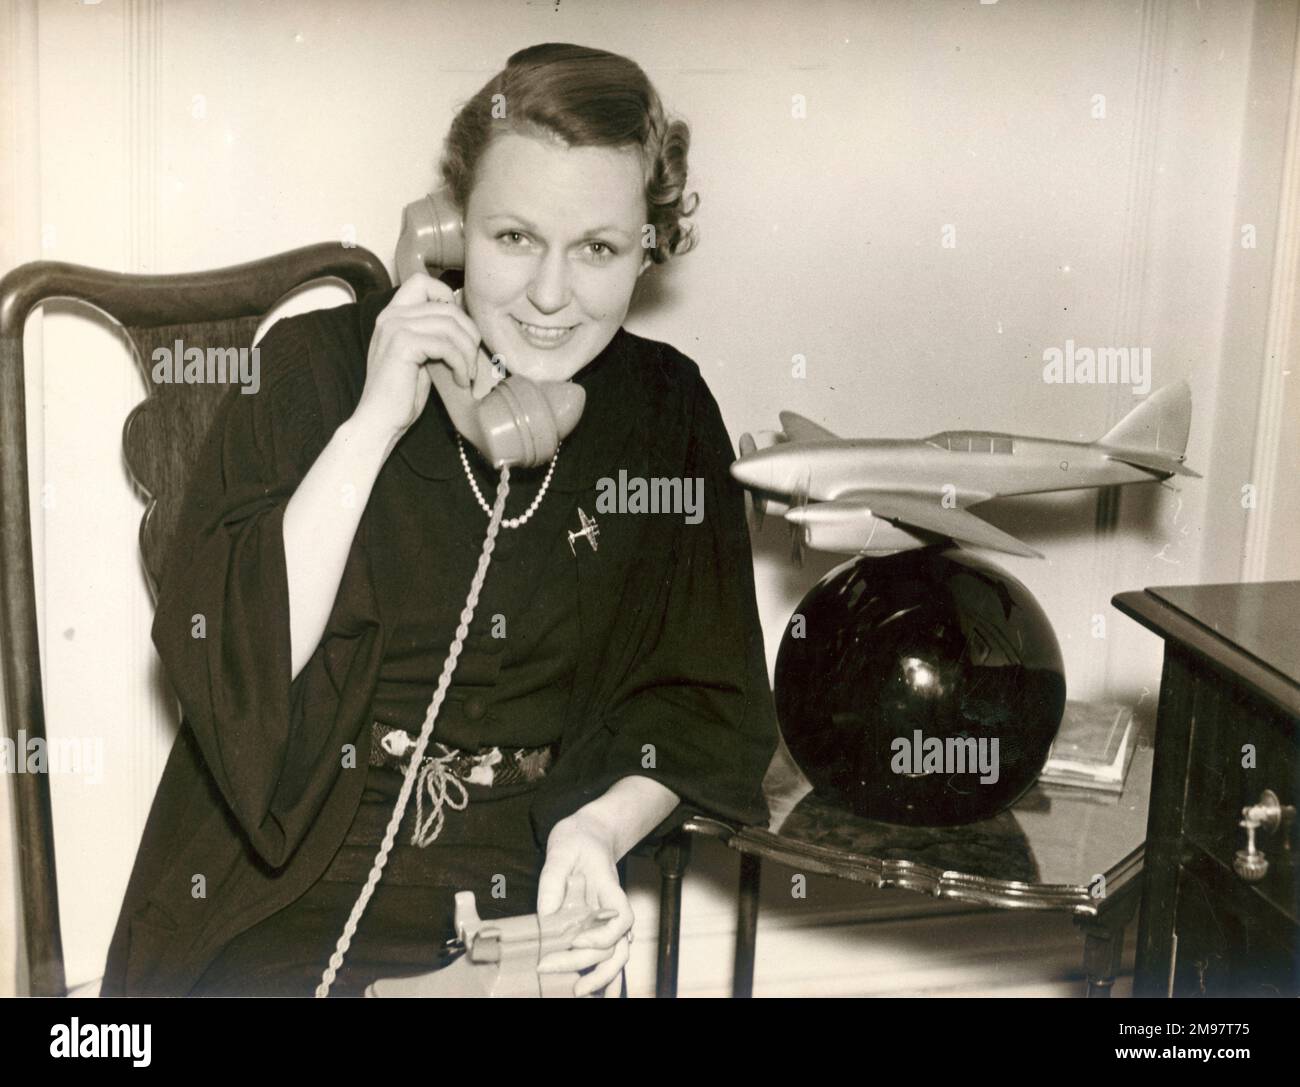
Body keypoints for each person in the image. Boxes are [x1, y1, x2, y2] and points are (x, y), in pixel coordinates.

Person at [101, 41, 778, 998]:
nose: (551, 295)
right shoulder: (317, 370)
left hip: (528, 878)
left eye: (597, 249)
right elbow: (233, 653)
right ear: (450, 230)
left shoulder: (663, 414)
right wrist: (374, 422)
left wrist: (598, 831)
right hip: (287, 877)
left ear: (647, 249)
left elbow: (704, 702)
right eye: (513, 239)